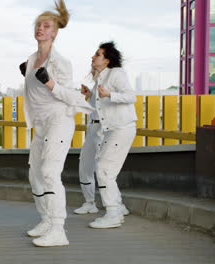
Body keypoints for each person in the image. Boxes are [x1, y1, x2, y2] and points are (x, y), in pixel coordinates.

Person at [19, 0, 94, 247]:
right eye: (38, 24)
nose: (40, 28)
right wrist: (29, 75)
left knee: (50, 173)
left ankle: (58, 230)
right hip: (40, 124)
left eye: (46, 25)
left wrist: (50, 83)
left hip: (59, 121)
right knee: (35, 176)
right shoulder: (31, 60)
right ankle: (46, 220)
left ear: (55, 32)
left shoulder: (60, 62)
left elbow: (71, 95)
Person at [74, 41, 137, 229]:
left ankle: (113, 213)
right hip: (111, 129)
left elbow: (130, 96)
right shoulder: (101, 77)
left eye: (98, 54)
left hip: (121, 127)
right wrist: (91, 94)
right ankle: (117, 208)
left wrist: (110, 94)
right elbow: (99, 105)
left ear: (107, 60)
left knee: (103, 168)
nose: (93, 57)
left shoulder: (116, 73)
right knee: (105, 169)